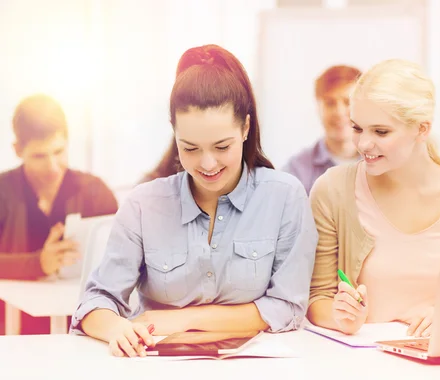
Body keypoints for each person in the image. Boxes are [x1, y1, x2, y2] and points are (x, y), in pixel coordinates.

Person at [71, 44, 318, 357]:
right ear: (174, 134)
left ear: (245, 128)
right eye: (190, 148)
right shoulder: (144, 204)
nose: (208, 164)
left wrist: (177, 320)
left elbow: (287, 308)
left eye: (221, 146)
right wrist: (118, 328)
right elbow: (95, 302)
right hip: (157, 368)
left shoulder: (285, 196)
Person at [306, 59, 440, 338]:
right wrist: (343, 318)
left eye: (381, 131)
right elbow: (317, 299)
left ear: (422, 129)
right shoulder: (332, 191)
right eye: (358, 128)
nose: (363, 144)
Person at [0, 94, 118, 334]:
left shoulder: (96, 192)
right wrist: (38, 264)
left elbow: (127, 261)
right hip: (10, 331)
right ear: (17, 150)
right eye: (39, 156)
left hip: (83, 329)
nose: (53, 166)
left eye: (59, 151)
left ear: (68, 141)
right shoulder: (3, 191)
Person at [282, 65, 361, 193]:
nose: (339, 112)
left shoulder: (384, 164)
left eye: (347, 102)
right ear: (318, 107)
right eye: (330, 103)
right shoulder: (296, 170)